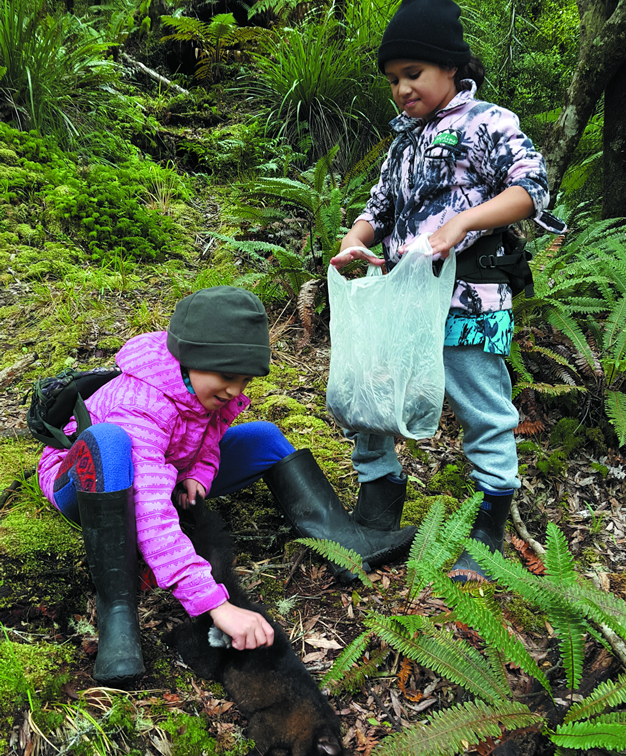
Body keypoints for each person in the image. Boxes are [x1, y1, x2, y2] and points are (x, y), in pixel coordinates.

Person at [37, 286, 415, 685]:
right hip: (90, 485)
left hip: (165, 467)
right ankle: (117, 612)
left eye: (245, 380)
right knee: (113, 444)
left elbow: (207, 440)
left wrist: (197, 475)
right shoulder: (141, 404)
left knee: (266, 437)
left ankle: (344, 543)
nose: (236, 390)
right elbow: (150, 508)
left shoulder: (205, 388)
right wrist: (216, 605)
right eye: (228, 377)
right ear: (191, 359)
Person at [331, 0, 551, 581]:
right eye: (393, 79)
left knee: (482, 407)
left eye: (414, 73)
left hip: (468, 297)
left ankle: (489, 525)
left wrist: (463, 223)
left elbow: (532, 190)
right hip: (402, 299)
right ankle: (379, 500)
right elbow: (377, 208)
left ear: (450, 67)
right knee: (365, 393)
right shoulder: (403, 138)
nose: (403, 89)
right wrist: (356, 239)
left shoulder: (487, 122)